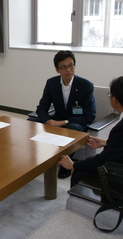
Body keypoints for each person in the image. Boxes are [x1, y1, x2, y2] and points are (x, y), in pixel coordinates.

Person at [35, 50, 96, 179]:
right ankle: (37, 159)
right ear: (57, 70)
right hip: (56, 120)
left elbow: (89, 115)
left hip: (76, 123)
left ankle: (65, 164)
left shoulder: (85, 85)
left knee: (72, 128)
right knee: (31, 122)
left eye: (71, 65)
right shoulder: (51, 83)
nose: (69, 70)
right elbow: (41, 108)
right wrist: (48, 121)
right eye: (64, 67)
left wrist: (63, 122)